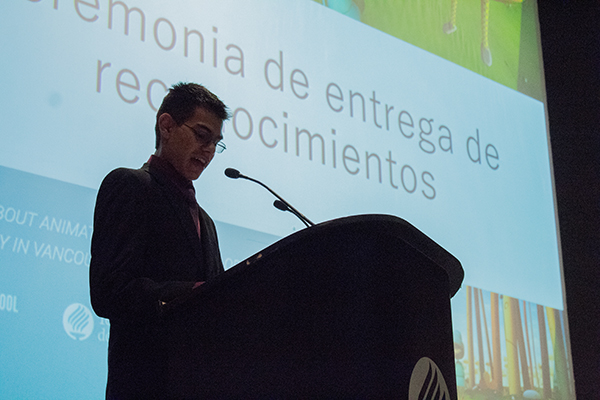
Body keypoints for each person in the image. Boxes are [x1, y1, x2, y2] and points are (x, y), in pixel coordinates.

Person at [89, 82, 230, 399]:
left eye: (216, 143)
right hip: (145, 386)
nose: (208, 149)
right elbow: (108, 291)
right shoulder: (131, 186)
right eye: (201, 135)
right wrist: (191, 294)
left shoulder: (205, 223)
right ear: (167, 125)